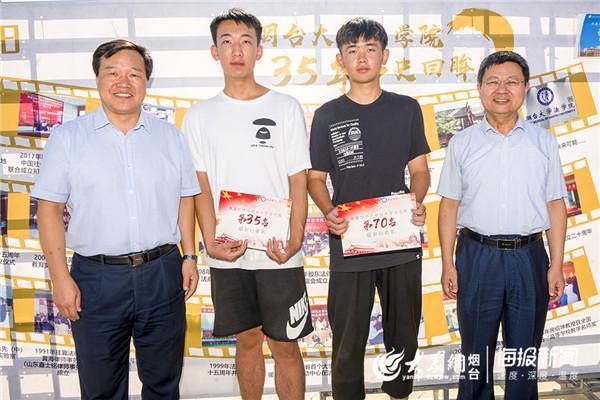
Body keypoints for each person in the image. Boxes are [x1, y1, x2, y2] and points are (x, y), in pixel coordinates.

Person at [32, 39, 200, 399]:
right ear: (97, 79)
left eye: (134, 74)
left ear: (146, 82)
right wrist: (59, 278)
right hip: (97, 278)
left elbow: (186, 198)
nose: (123, 82)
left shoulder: (170, 137)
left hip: (163, 273)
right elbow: (48, 210)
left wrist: (189, 255)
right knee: (102, 389)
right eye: (113, 73)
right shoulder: (68, 138)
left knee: (164, 384)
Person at [182, 8, 313, 400]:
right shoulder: (199, 116)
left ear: (259, 51)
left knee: (286, 344)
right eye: (227, 42)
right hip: (229, 252)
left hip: (279, 251)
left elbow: (299, 180)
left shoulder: (285, 107)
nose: (236, 50)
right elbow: (200, 187)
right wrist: (211, 241)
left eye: (245, 42)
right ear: (214, 51)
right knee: (247, 340)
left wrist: (295, 240)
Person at [307, 18, 431, 400]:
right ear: (340, 60)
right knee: (347, 339)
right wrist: (329, 211)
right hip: (350, 240)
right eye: (352, 50)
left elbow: (420, 171)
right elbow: (315, 178)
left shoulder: (406, 109)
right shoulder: (326, 115)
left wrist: (416, 201)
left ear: (385, 56)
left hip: (399, 239)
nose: (362, 58)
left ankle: (400, 394)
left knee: (404, 336)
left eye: (370, 49)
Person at [437, 50, 568, 400]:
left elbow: (555, 205)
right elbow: (449, 205)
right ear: (480, 88)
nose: (501, 89)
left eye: (511, 82)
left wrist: (556, 264)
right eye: (493, 82)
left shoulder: (544, 142)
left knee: (524, 355)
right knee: (475, 354)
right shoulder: (462, 143)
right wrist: (448, 262)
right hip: (477, 256)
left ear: (525, 88)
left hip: (529, 257)